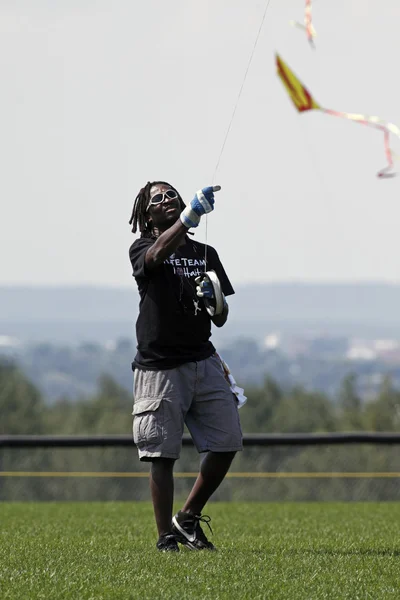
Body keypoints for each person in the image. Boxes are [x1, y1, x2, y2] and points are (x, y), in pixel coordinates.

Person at [128, 180, 243, 552]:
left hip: (202, 359)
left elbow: (221, 318)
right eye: (158, 198)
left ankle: (187, 518)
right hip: (159, 367)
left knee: (227, 441)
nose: (168, 200)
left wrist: (215, 301)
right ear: (148, 215)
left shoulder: (206, 252)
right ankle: (165, 539)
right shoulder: (143, 246)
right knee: (162, 454)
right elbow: (156, 257)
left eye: (172, 194)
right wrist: (191, 216)